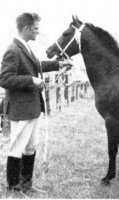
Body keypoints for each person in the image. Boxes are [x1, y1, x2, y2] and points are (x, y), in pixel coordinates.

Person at [0, 12, 72, 193]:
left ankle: (26, 184)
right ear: (25, 29)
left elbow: (37, 65)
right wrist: (31, 80)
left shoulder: (25, 47)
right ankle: (14, 187)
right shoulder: (12, 49)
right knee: (17, 147)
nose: (38, 32)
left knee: (30, 147)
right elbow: (5, 79)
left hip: (32, 107)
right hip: (21, 108)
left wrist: (58, 65)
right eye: (35, 28)